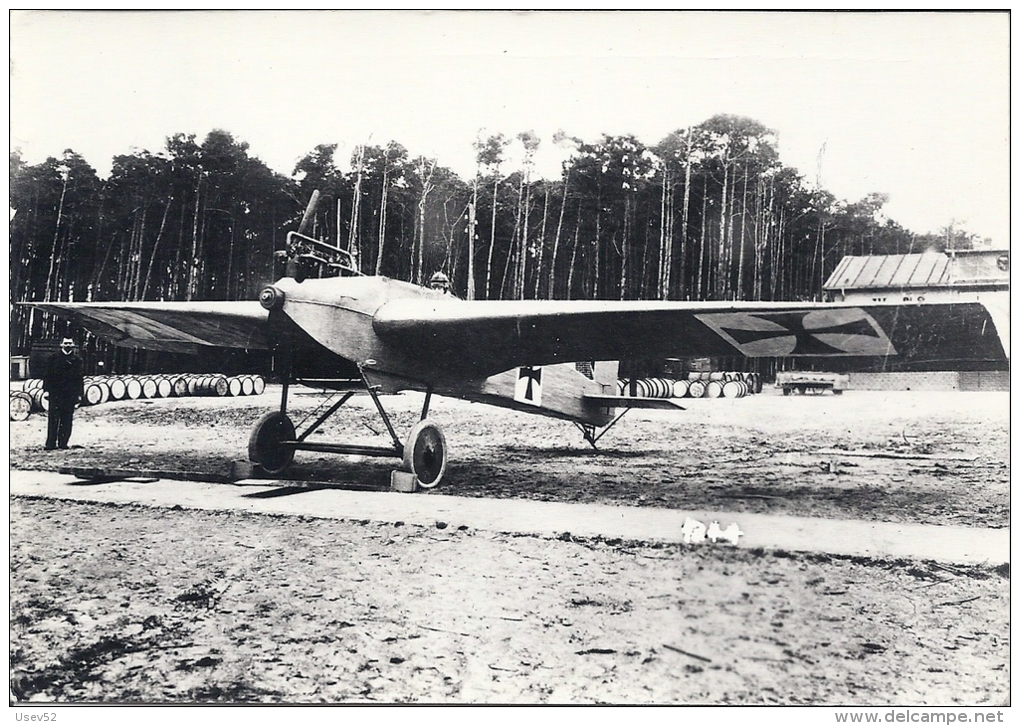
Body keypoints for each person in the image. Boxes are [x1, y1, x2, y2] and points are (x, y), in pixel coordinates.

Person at [43, 336, 85, 450]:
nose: (67, 345)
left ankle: (63, 443)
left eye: (70, 343)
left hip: (69, 395)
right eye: (65, 343)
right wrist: (46, 390)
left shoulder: (77, 360)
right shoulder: (53, 358)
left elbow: (79, 379)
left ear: (73, 345)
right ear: (61, 344)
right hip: (55, 393)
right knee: (53, 419)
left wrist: (79, 394)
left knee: (67, 419)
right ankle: (50, 443)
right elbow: (47, 375)